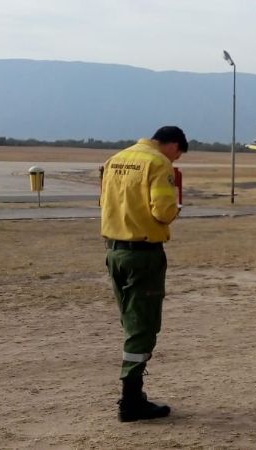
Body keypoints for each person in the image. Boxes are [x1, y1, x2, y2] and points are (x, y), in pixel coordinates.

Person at [100, 125, 188, 422]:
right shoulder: (157, 163)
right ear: (173, 145)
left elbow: (104, 203)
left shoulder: (116, 159)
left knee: (130, 321)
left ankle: (133, 396)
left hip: (114, 252)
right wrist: (176, 208)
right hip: (143, 255)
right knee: (142, 327)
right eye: (177, 155)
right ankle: (131, 401)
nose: (174, 161)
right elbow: (163, 211)